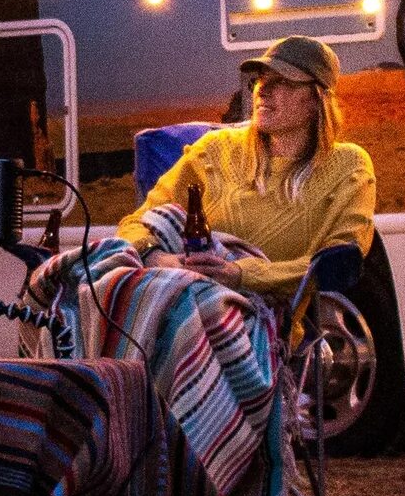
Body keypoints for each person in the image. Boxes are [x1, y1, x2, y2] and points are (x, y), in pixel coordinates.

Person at [113, 34, 377, 311]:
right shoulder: (214, 150)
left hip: (268, 324)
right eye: (261, 79)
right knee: (94, 268)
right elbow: (136, 223)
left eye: (283, 81)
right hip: (184, 299)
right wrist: (153, 255)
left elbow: (337, 263)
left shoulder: (348, 166)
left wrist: (240, 274)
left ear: (316, 99)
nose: (263, 90)